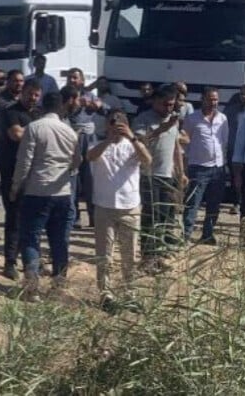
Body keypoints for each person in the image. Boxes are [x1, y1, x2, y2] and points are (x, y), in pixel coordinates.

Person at [10, 89, 81, 298]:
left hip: (37, 191)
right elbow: (77, 161)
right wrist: (67, 171)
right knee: (59, 241)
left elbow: (24, 162)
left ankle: (31, 288)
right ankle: (58, 287)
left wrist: (16, 187)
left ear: (42, 106)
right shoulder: (69, 131)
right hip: (62, 192)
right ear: (61, 107)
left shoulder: (34, 128)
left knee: (31, 238)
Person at [88, 109, 151, 309]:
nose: (116, 126)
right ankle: (106, 294)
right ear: (106, 125)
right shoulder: (98, 144)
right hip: (104, 206)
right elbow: (90, 156)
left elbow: (147, 160)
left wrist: (131, 137)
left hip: (130, 206)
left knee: (130, 253)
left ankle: (130, 292)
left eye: (120, 123)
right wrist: (109, 139)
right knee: (104, 254)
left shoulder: (133, 145)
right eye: (112, 123)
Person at [133, 84, 186, 274]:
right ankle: (147, 257)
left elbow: (176, 148)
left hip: (167, 175)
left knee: (165, 217)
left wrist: (180, 172)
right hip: (148, 175)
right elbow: (139, 143)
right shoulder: (143, 119)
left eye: (172, 104)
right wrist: (161, 129)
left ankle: (159, 255)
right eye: (165, 104)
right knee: (151, 216)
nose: (168, 108)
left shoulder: (174, 122)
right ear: (154, 101)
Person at [0, 78, 43, 280]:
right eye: (30, 94)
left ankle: (31, 262)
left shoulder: (38, 114)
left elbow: (27, 134)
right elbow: (16, 134)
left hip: (34, 173)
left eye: (36, 95)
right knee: (14, 217)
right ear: (22, 92)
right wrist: (38, 134)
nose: (32, 98)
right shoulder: (10, 111)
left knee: (33, 220)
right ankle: (10, 262)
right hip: (12, 171)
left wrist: (30, 133)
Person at [181, 87, 228, 244]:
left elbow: (224, 143)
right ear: (202, 99)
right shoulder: (192, 119)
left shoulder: (223, 118)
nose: (213, 102)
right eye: (210, 99)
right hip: (198, 168)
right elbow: (184, 143)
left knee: (214, 205)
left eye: (215, 99)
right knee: (193, 204)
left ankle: (207, 235)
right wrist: (185, 167)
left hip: (218, 169)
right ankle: (186, 235)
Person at [66, 68, 105, 229]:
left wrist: (96, 104)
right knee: (72, 177)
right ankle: (74, 217)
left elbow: (102, 107)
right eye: (70, 78)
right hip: (72, 136)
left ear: (82, 80)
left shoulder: (90, 96)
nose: (72, 81)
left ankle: (93, 214)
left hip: (88, 139)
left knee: (90, 178)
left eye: (75, 78)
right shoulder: (65, 95)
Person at [226, 84, 245, 216]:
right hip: (243, 161)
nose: (243, 96)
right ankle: (238, 203)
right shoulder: (241, 117)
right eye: (241, 94)